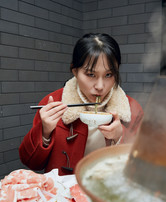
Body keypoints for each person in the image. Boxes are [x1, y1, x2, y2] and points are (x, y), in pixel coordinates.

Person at [19, 33, 144, 175]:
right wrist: (45, 132)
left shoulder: (131, 109)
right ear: (75, 71)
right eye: (91, 75)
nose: (100, 86)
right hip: (63, 193)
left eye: (108, 75)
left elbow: (144, 165)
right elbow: (31, 163)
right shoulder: (53, 103)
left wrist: (120, 137)